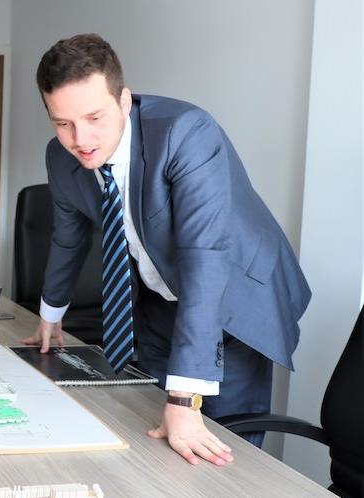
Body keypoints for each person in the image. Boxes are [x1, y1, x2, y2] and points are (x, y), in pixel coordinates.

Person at [24, 34, 311, 466]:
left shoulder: (185, 133)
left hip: (231, 296)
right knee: (153, 431)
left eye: (94, 117)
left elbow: (204, 258)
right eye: (62, 123)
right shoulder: (60, 157)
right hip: (159, 296)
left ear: (123, 101)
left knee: (223, 445)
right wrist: (50, 316)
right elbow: (68, 236)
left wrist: (183, 399)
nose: (81, 139)